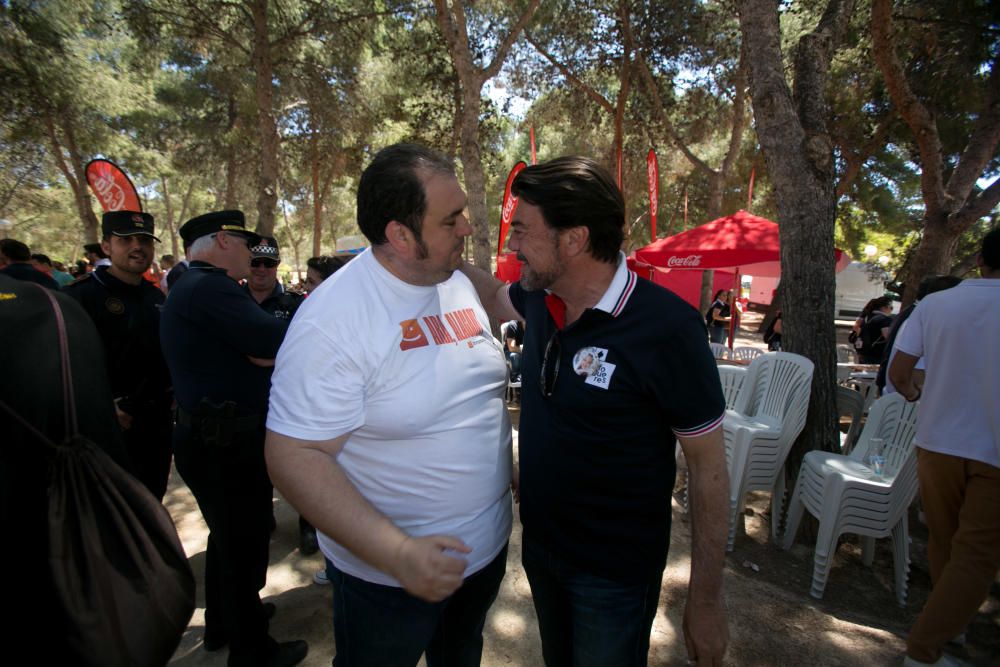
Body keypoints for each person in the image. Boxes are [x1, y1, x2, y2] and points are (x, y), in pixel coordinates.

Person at [460, 156, 730, 666]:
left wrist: (706, 600)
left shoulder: (665, 327)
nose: (511, 245)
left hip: (614, 574)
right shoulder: (543, 298)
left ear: (574, 239)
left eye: (522, 230)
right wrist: (445, 258)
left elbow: (709, 468)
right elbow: (496, 295)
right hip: (541, 550)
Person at [265, 143, 513, 666]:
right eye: (451, 220)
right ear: (401, 235)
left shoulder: (456, 278)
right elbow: (294, 455)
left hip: (483, 554)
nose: (467, 229)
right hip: (388, 581)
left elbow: (492, 299)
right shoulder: (333, 321)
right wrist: (397, 553)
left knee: (461, 655)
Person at [160, 210, 307, 667]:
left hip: (211, 438)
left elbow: (262, 346)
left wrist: (263, 352)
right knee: (242, 544)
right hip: (225, 443)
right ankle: (253, 650)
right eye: (246, 246)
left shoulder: (192, 285)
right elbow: (275, 338)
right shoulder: (210, 286)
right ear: (223, 241)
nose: (252, 257)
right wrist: (267, 350)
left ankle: (227, 619)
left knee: (229, 540)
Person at [891, 228, 1000, 667]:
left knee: (946, 541)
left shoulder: (936, 304)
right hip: (993, 452)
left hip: (937, 441)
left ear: (978, 259)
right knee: (975, 555)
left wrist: (921, 398)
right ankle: (925, 647)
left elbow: (899, 374)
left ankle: (946, 626)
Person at [64, 211, 174, 500]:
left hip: (155, 425)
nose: (138, 246)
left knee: (152, 500)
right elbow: (64, 365)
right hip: (107, 429)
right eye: (126, 240)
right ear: (106, 246)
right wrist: (100, 405)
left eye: (145, 240)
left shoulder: (156, 298)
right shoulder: (80, 297)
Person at [243, 235, 315, 553]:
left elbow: (309, 349)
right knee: (254, 470)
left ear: (277, 266)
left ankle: (309, 525)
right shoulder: (231, 300)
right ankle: (262, 521)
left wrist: (272, 357)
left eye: (268, 263)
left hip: (288, 402)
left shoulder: (295, 304)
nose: (261, 269)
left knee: (301, 470)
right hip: (246, 403)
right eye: (255, 262)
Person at [877, 275, 962, 395]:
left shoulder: (912, 312)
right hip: (906, 403)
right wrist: (915, 396)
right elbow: (911, 373)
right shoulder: (923, 320)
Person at [854, 296, 893, 363]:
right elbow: (888, 337)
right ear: (884, 307)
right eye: (891, 308)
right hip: (877, 356)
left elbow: (856, 330)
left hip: (863, 352)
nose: (891, 310)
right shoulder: (884, 319)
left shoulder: (866, 317)